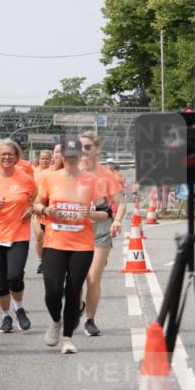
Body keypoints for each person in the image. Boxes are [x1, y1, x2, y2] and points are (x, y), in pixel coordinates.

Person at [36, 138, 111, 354]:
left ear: (80, 156)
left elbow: (106, 212)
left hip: (82, 245)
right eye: (66, 155)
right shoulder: (49, 177)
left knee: (73, 291)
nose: (70, 159)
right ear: (61, 156)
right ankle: (55, 321)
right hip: (54, 242)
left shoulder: (91, 181)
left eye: (74, 155)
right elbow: (36, 203)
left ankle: (67, 337)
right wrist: (44, 209)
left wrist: (90, 213)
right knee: (52, 291)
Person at [78, 131, 126, 337]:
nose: (83, 151)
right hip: (75, 230)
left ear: (97, 150)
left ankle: (90, 319)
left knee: (92, 278)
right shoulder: (69, 171)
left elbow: (121, 203)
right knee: (75, 279)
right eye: (80, 147)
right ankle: (77, 303)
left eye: (88, 147)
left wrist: (116, 220)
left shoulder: (107, 175)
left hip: (100, 229)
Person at [0, 139, 37, 333]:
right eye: (3, 154)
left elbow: (37, 198)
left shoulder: (25, 178)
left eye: (11, 154)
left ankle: (19, 307)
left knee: (14, 275)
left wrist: (32, 208)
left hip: (18, 234)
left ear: (17, 157)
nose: (6, 157)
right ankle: (6, 315)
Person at [32, 149, 53, 274]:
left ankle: (49, 260)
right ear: (38, 160)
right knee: (39, 235)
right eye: (42, 158)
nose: (45, 160)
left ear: (51, 160)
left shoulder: (53, 172)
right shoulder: (34, 172)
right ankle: (42, 261)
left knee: (50, 237)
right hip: (37, 208)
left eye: (47, 158)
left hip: (49, 208)